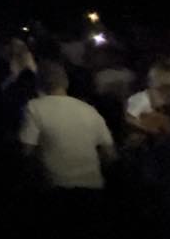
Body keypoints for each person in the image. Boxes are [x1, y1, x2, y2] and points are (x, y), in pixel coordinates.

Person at [18, 61, 115, 189]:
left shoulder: (34, 107)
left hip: (56, 185)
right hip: (93, 186)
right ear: (66, 82)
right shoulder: (89, 110)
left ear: (39, 84)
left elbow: (26, 150)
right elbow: (109, 153)